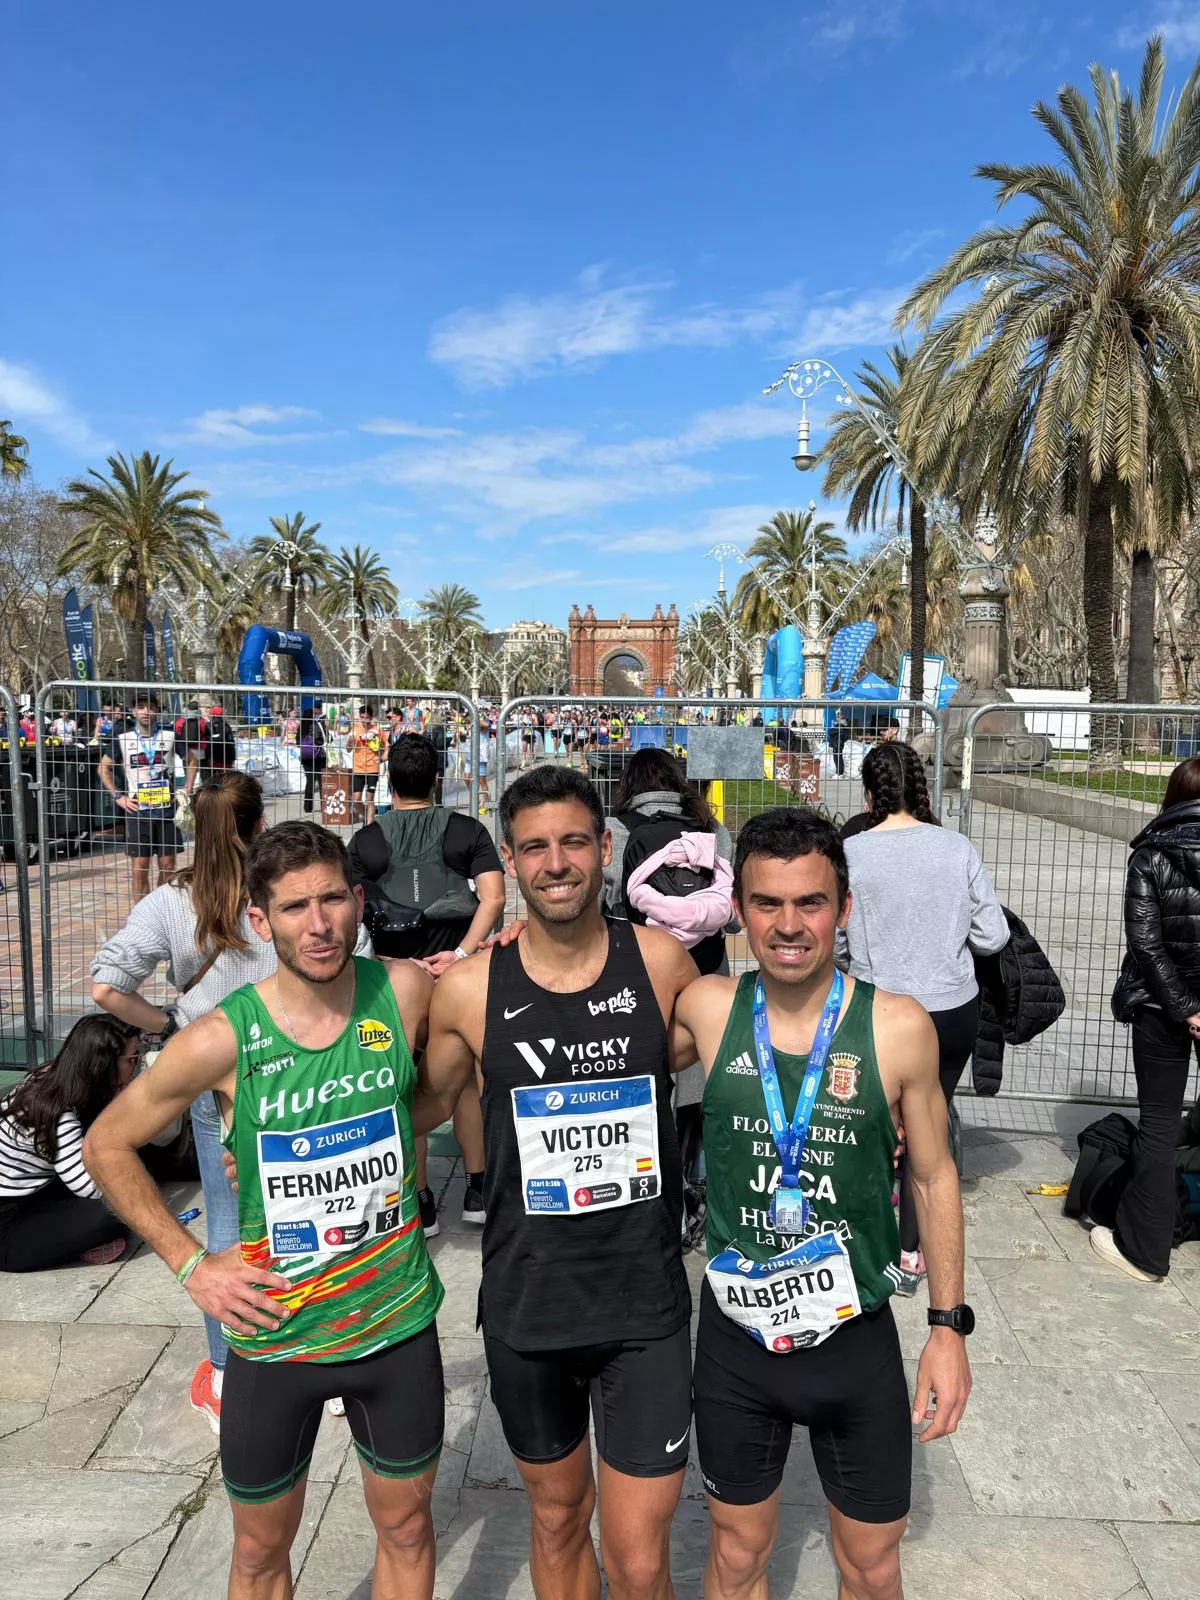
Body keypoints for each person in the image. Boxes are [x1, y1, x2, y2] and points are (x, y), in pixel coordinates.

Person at [83, 821, 446, 1600]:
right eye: (293, 908)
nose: (318, 926)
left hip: (394, 1325)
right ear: (259, 921)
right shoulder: (219, 1039)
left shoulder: (405, 991)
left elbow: (428, 1100)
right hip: (276, 1337)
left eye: (331, 901)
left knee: (411, 1530)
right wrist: (191, 1265)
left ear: (357, 901)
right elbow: (107, 1145)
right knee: (256, 1556)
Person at [672, 809, 973, 1599]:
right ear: (738, 908)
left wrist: (947, 1329)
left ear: (843, 907)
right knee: (737, 1558)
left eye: (811, 902)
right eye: (768, 903)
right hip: (738, 1342)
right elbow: (596, 1008)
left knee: (871, 1570)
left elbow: (936, 1177)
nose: (789, 925)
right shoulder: (707, 1008)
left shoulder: (898, 1026)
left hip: (855, 1338)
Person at [420, 765, 699, 1600]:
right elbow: (412, 1106)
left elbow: (741, 1047)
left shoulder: (660, 962)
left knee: (642, 1558)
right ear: (509, 860)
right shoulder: (470, 990)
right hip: (529, 1303)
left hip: (642, 1306)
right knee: (556, 1519)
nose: (556, 863)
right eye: (535, 848)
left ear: (604, 849)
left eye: (574, 842)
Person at [90, 772, 268, 1432]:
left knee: (224, 1220)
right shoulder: (280, 886)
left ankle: (227, 1374)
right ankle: (321, 1363)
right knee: (309, 1204)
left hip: (208, 1066)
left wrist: (166, 1026)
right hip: (291, 1063)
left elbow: (107, 986)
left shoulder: (170, 900)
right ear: (257, 825)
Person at [839, 741, 1008, 1293]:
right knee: (927, 1130)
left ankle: (859, 1240)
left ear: (868, 793)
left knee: (868, 1124)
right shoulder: (955, 848)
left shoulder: (853, 854)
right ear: (922, 789)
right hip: (948, 1006)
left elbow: (837, 939)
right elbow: (993, 935)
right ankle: (914, 1253)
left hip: (878, 1007)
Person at [349, 732, 505, 1236]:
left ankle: (419, 1199)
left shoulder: (367, 840)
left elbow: (351, 910)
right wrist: (462, 953)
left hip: (396, 979)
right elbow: (495, 898)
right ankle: (478, 1190)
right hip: (458, 976)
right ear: (438, 778)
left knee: (406, 1082)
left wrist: (390, 960)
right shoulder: (466, 831)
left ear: (388, 779)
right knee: (463, 1084)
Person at [1107, 755, 1200, 1282]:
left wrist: (1186, 1007)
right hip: (1180, 1005)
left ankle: (1146, 1253)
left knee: (1160, 1124)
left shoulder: (1151, 854)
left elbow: (1146, 943)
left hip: (1160, 1006)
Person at [0, 1015, 138, 1270]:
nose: (135, 1067)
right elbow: (92, 1189)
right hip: (7, 1226)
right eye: (131, 1060)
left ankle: (71, 1236)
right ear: (104, 1064)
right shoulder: (57, 1114)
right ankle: (73, 1242)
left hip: (35, 1192)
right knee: (118, 1213)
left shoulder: (52, 1075)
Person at [98, 693, 184, 901]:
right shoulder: (123, 739)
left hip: (166, 810)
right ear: (133, 711)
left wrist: (187, 788)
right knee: (140, 867)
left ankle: (163, 910)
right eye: (141, 707)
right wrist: (119, 797)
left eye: (150, 707)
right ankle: (140, 914)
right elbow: (103, 769)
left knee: (168, 866)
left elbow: (191, 759)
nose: (146, 711)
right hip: (138, 811)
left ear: (157, 710)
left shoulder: (170, 735)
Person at [345, 705, 382, 826]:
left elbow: (385, 747)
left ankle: (369, 826)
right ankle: (367, 816)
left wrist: (381, 758)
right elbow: (348, 749)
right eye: (362, 717)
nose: (364, 720)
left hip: (372, 769)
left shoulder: (377, 730)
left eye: (366, 718)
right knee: (356, 800)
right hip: (358, 769)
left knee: (370, 799)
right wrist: (349, 744)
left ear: (371, 718)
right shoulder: (355, 729)